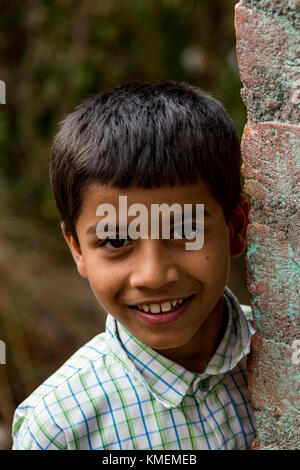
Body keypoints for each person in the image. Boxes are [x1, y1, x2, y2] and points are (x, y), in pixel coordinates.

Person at [12, 81, 256, 450]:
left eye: (186, 231)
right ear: (77, 249)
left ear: (236, 228)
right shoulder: (59, 430)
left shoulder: (286, 352)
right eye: (115, 241)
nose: (153, 275)